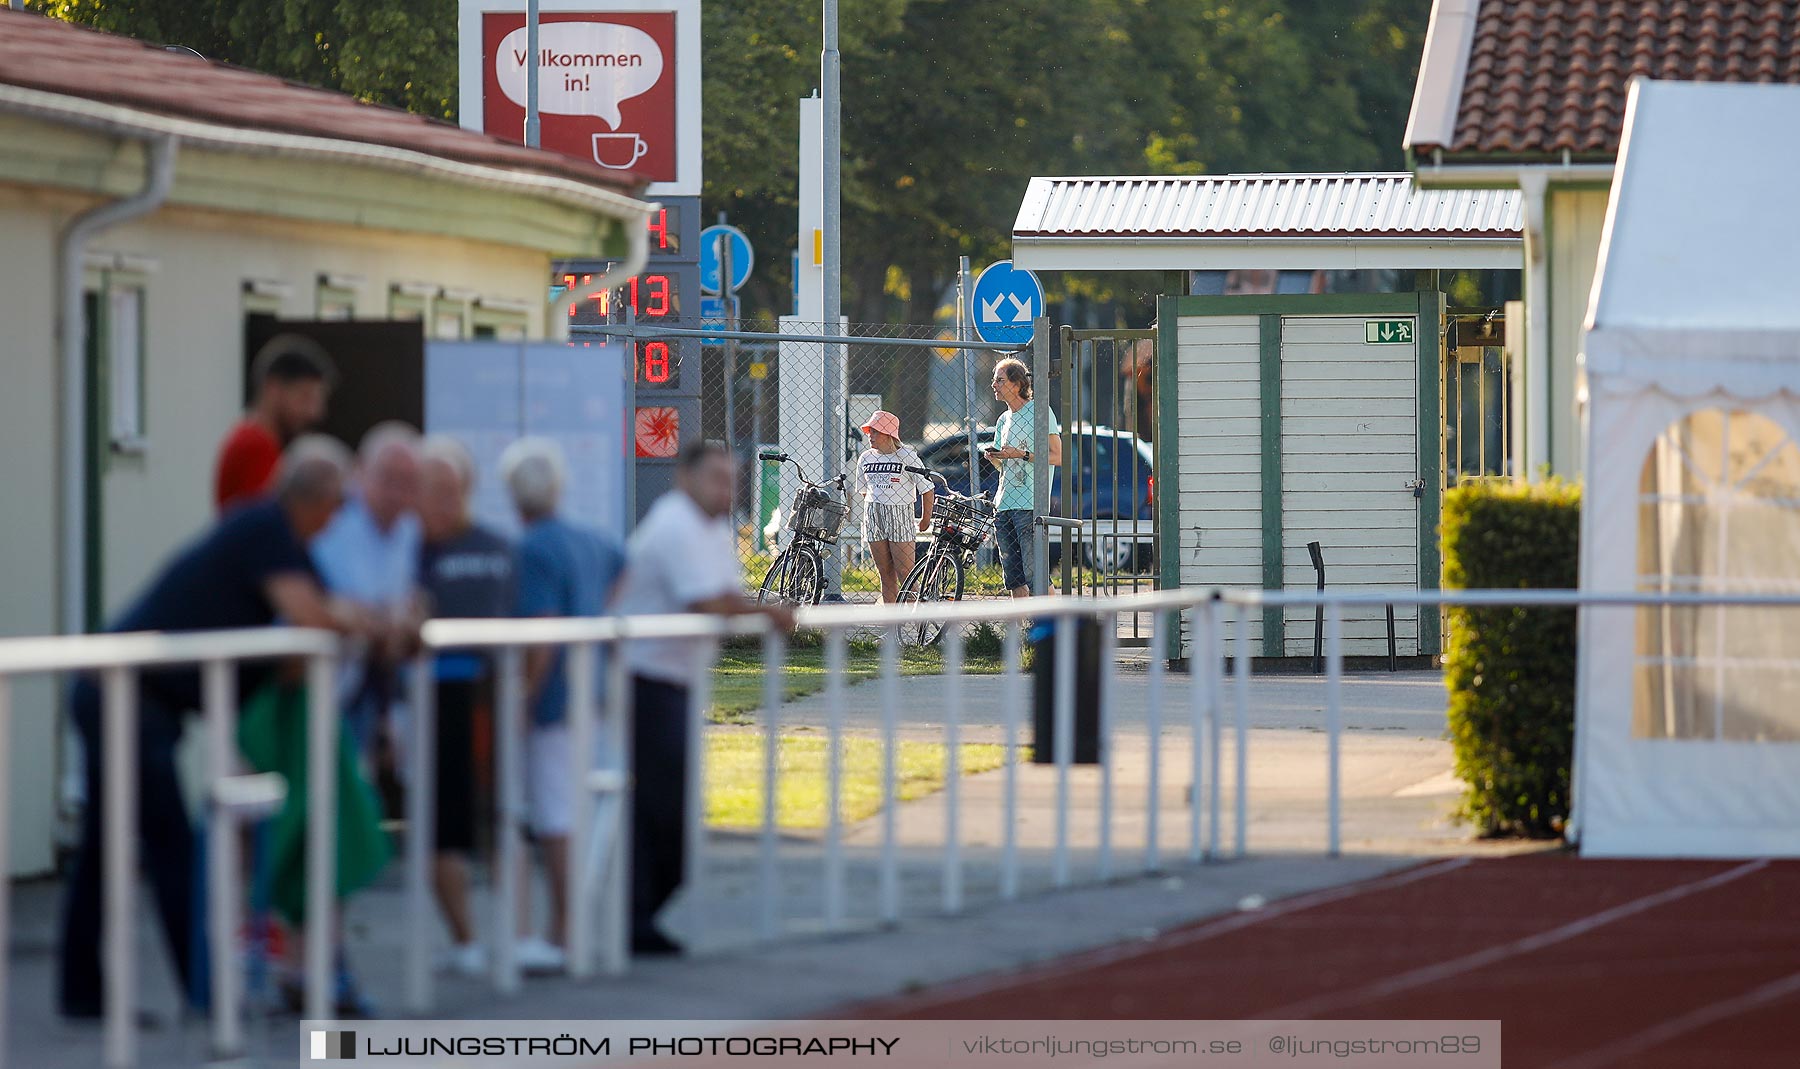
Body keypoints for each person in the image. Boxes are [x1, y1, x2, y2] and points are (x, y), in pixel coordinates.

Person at [59, 436, 375, 1020]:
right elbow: (312, 616)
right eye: (339, 505)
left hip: (133, 696)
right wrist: (362, 620)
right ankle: (203, 998)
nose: (339, 521)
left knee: (111, 848)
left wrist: (351, 619)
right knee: (170, 846)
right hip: (126, 694)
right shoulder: (265, 528)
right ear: (316, 498)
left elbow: (301, 639)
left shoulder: (282, 541)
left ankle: (85, 993)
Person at [611, 441, 796, 955]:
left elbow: (721, 594)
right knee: (660, 808)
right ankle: (633, 918)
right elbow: (707, 598)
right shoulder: (673, 524)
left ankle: (639, 917)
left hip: (675, 681)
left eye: (731, 478)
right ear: (684, 478)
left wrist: (758, 608)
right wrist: (769, 613)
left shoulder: (712, 529)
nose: (726, 488)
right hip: (644, 680)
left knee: (667, 808)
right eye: (716, 478)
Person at [501, 437, 626, 974]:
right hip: (591, 689)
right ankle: (566, 928)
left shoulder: (533, 549)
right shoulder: (589, 540)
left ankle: (562, 931)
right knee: (575, 806)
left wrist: (525, 695)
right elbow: (624, 568)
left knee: (553, 815)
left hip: (555, 700)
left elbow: (542, 633)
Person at [416, 436, 514, 978]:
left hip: (492, 696)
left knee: (502, 818)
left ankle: (514, 939)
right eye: (429, 490)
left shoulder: (500, 548)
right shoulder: (409, 550)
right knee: (443, 825)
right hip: (433, 698)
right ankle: (467, 940)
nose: (440, 500)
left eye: (448, 489)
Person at [311, 422, 426, 764]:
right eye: (388, 478)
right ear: (360, 472)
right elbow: (338, 600)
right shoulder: (333, 519)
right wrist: (388, 617)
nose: (397, 493)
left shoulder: (409, 529)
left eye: (407, 483)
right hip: (317, 681)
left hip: (367, 679)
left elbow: (402, 599)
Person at [214, 334, 335, 511]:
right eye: (305, 397)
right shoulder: (256, 445)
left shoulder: (256, 440)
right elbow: (265, 522)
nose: (314, 412)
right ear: (273, 388)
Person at [986, 357, 1062, 598]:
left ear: (1017, 384)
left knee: (1035, 573)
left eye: (1000, 380)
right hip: (1003, 503)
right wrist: (996, 458)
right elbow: (1004, 466)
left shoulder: (1040, 411)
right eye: (993, 380)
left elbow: (1057, 456)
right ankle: (1021, 634)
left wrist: (1022, 454)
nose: (994, 385)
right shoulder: (1002, 420)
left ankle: (1053, 630)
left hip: (1029, 504)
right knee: (1013, 577)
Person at [852, 410, 934, 603]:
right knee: (885, 574)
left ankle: (917, 624)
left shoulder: (906, 456)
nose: (871, 436)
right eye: (870, 431)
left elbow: (927, 488)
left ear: (889, 434)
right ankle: (892, 626)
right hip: (874, 516)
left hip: (900, 515)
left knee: (906, 572)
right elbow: (864, 490)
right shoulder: (866, 457)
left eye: (876, 432)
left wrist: (925, 518)